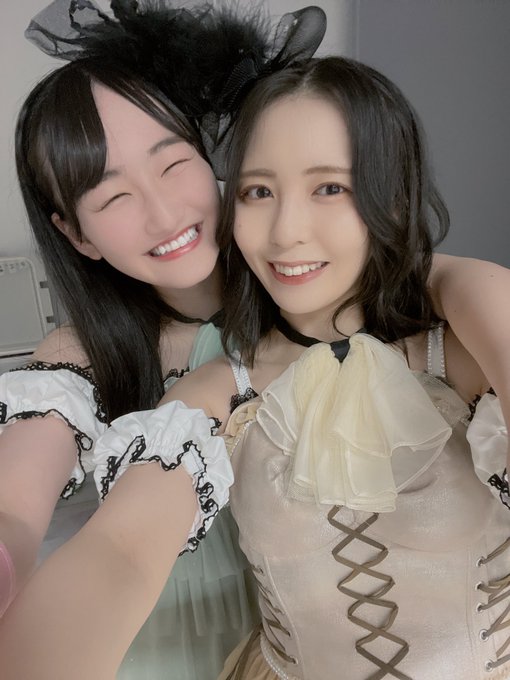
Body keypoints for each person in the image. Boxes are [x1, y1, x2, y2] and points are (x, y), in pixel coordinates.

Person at [1, 52, 509, 680]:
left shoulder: (455, 333)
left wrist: (467, 287)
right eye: (259, 191)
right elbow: (115, 546)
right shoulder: (204, 386)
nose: (287, 230)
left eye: (330, 187)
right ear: (75, 233)